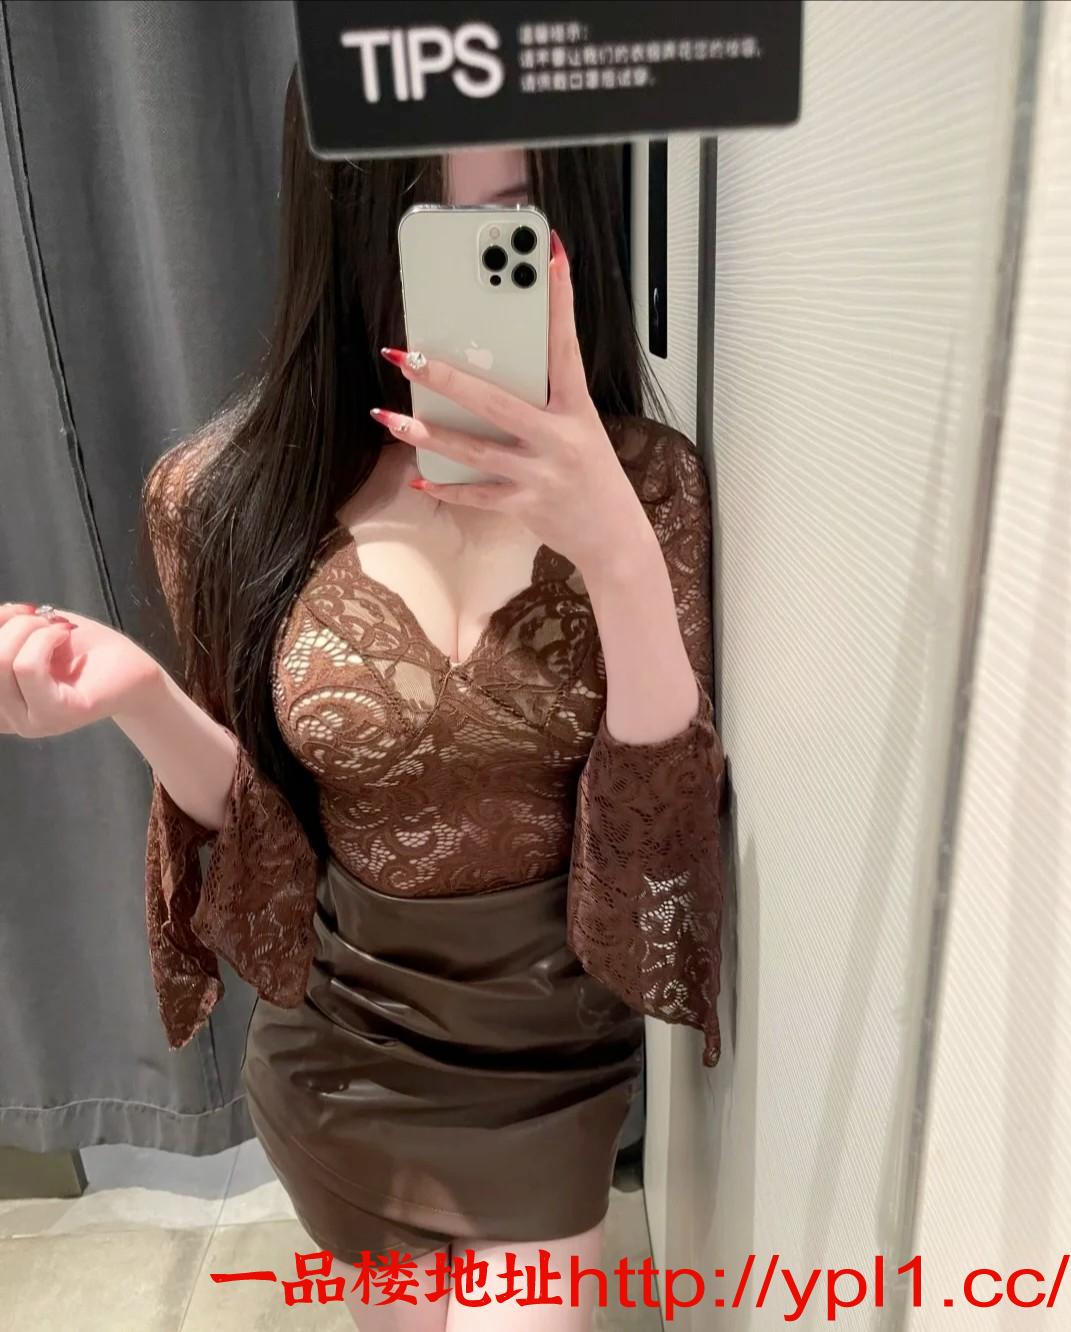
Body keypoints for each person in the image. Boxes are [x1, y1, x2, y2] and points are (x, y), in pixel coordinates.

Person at [0, 71, 726, 1330]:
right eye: (424, 229)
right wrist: (139, 695)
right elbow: (264, 835)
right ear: (343, 226)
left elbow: (663, 833)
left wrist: (613, 545)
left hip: (548, 1065)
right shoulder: (219, 497)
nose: (473, 276)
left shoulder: (649, 485)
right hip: (340, 1058)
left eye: (512, 226)